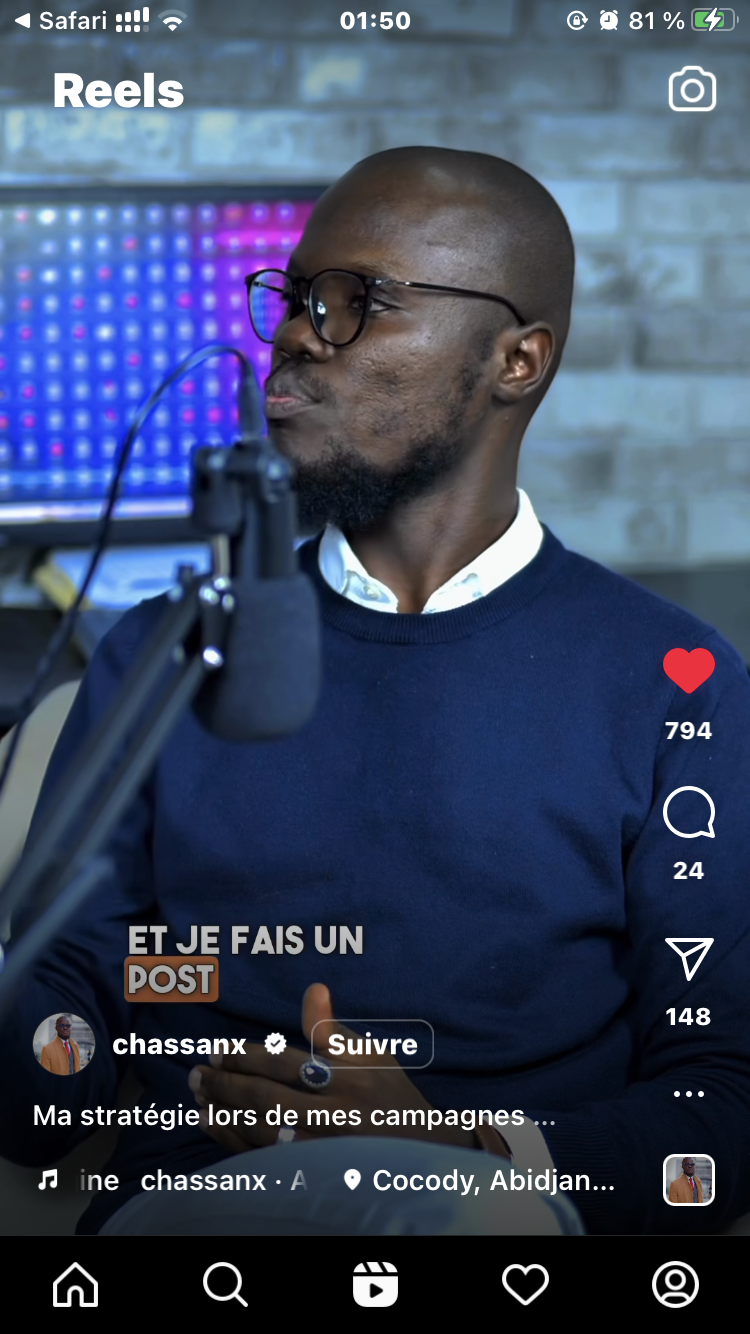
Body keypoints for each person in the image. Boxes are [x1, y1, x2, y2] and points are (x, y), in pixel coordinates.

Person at [2, 147, 749, 1238]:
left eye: (359, 301)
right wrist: (66, 1045)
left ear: (517, 360)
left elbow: (722, 1104)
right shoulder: (164, 650)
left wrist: (457, 1147)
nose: (299, 334)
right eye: (296, 297)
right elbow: (55, 1062)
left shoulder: (675, 682)